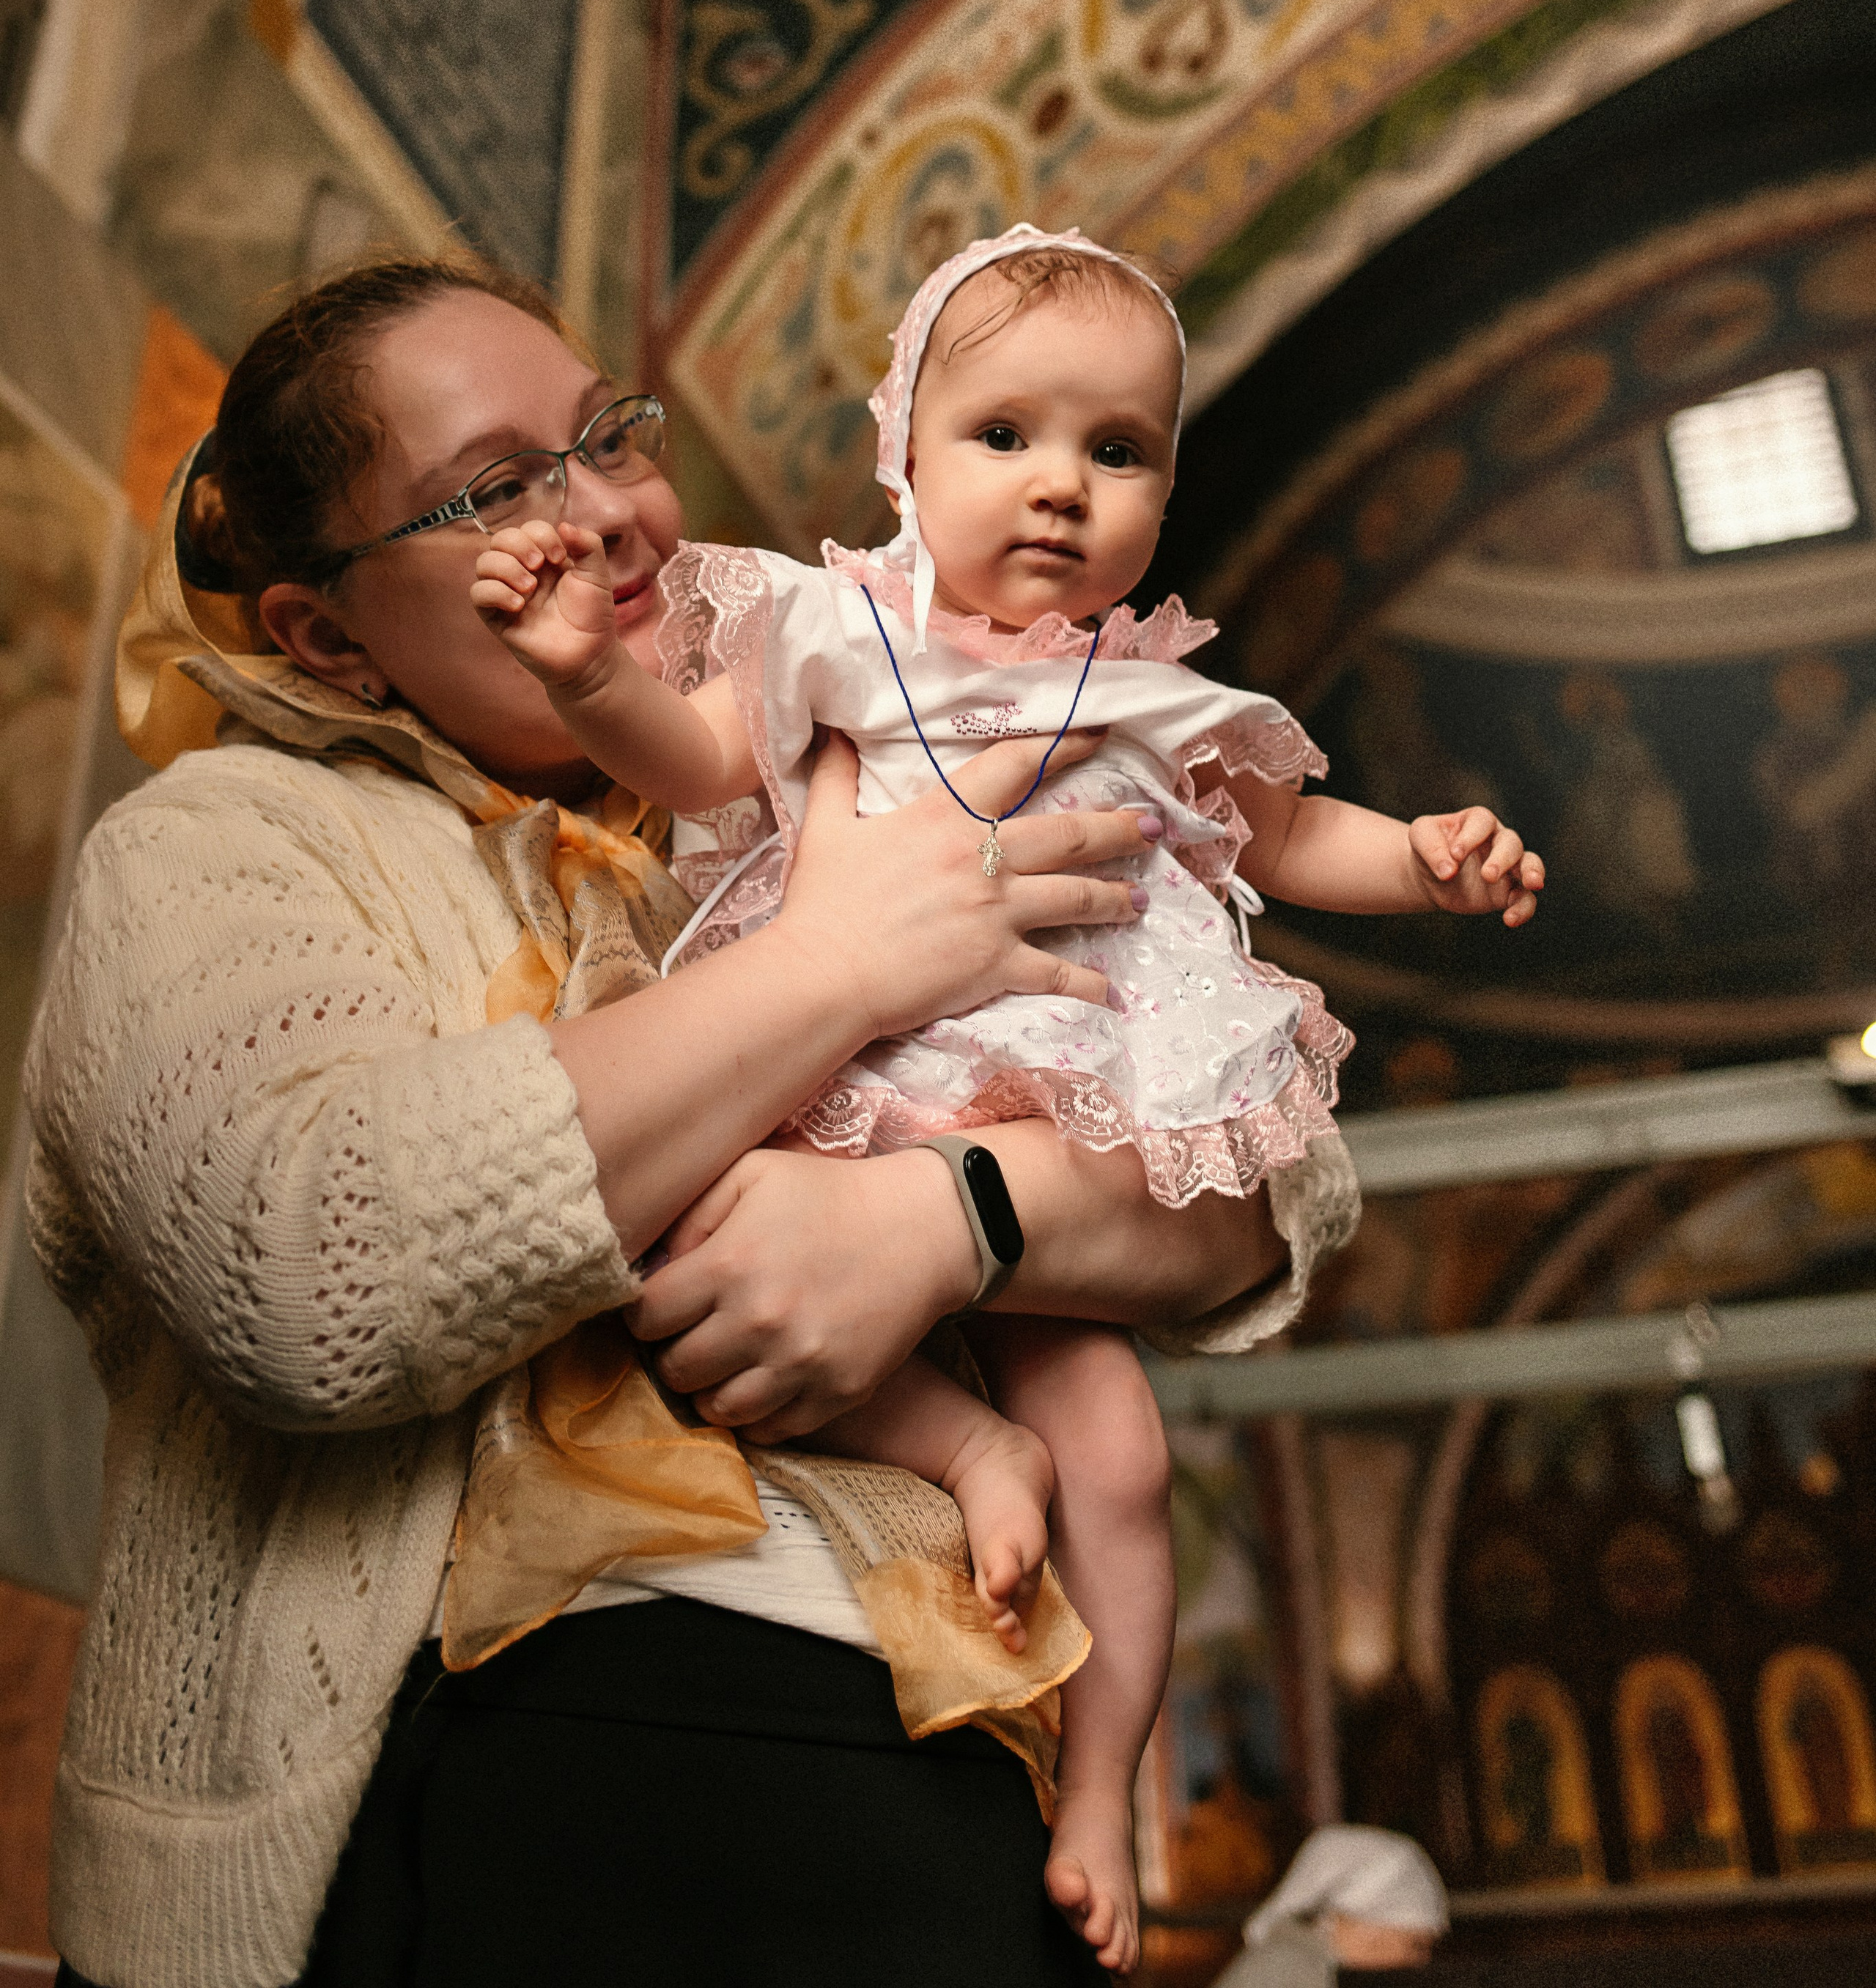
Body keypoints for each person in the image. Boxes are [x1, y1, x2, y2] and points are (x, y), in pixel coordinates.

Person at [25, 254, 1364, 1988]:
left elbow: (1277, 1170)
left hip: (934, 1751)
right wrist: (838, 963)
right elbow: (312, 1268)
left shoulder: (846, 729)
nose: (607, 514)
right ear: (325, 628)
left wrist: (954, 1213)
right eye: (497, 487)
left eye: (605, 434)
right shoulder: (214, 846)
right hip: (460, 1796)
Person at [468, 226, 1543, 1973]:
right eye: (1005, 435)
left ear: (1162, 489)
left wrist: (1425, 860)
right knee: (695, 1258)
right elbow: (699, 758)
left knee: (1115, 1456)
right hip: (834, 1077)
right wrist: (593, 678)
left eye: (1114, 451)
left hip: (1040, 1116)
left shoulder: (1154, 695)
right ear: (903, 443)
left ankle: (1101, 1779)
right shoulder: (828, 627)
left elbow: (1285, 834)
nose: (1060, 485)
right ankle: (960, 1443)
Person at [1214, 1828, 1450, 1982]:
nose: (1421, 1961)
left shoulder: (1307, 1964)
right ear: (1364, 1927)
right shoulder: (1291, 1970)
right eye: (1415, 1945)